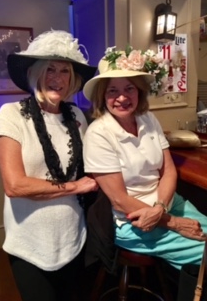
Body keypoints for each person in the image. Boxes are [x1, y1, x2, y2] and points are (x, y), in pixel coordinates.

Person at [0, 30, 98, 301]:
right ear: (35, 72)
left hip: (75, 238)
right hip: (30, 245)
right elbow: (15, 185)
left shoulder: (76, 116)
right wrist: (75, 186)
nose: (57, 78)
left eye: (64, 71)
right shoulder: (11, 114)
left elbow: (91, 164)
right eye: (49, 69)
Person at [82, 45, 207, 272]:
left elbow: (168, 170)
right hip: (133, 219)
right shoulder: (98, 134)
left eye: (129, 88)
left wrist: (161, 207)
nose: (122, 97)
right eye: (112, 91)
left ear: (139, 91)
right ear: (102, 96)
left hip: (167, 204)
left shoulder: (148, 118)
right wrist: (173, 222)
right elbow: (119, 200)